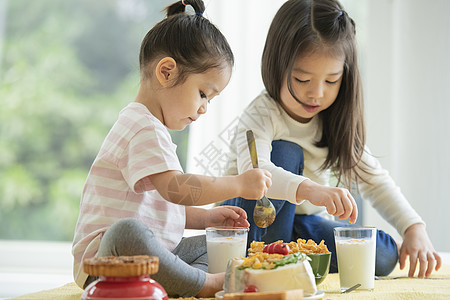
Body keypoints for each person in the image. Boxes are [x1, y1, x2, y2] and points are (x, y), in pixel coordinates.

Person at [223, 0, 441, 278]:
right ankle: (266, 258)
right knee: (286, 153)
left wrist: (414, 228)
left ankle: (291, 256)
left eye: (331, 81)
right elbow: (256, 173)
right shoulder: (262, 114)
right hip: (249, 225)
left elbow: (375, 181)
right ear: (276, 65)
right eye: (302, 79)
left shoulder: (333, 120)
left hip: (301, 226)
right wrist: (313, 190)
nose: (316, 93)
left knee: (383, 256)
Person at [71, 0, 272, 298]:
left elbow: (159, 208)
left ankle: (184, 282)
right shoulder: (142, 126)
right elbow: (176, 190)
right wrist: (238, 184)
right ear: (166, 72)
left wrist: (206, 220)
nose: (204, 108)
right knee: (130, 233)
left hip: (153, 256)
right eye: (203, 93)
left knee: (213, 243)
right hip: (105, 261)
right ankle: (204, 283)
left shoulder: (154, 129)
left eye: (211, 100)